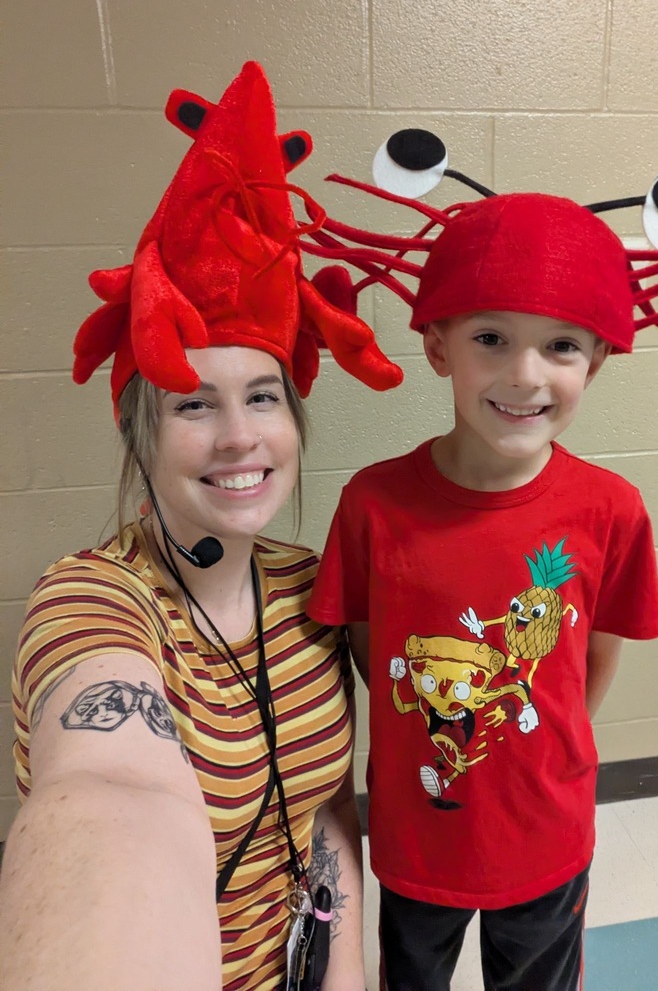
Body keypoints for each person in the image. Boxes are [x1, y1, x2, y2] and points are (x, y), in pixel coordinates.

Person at [305, 171, 658, 990]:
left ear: (597, 359)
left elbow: (590, 659)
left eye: (560, 344)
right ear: (437, 345)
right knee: (410, 978)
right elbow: (373, 654)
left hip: (545, 828)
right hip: (419, 828)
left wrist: (535, 740)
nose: (524, 375)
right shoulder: (373, 504)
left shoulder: (610, 510)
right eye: (490, 338)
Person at [0, 62, 401, 991]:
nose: (237, 438)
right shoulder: (91, 598)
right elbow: (112, 791)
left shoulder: (314, 584)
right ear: (139, 435)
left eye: (262, 397)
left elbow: (325, 811)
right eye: (191, 405)